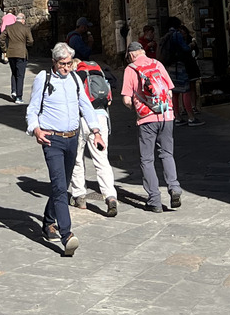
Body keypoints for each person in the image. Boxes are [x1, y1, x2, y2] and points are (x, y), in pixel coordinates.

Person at [25, 43, 104, 254]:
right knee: (60, 187)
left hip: (73, 138)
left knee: (63, 183)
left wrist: (96, 131)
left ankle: (49, 220)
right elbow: (32, 109)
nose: (66, 68)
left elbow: (85, 105)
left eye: (69, 63)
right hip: (52, 140)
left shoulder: (75, 79)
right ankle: (67, 234)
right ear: (54, 62)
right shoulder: (44, 78)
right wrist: (35, 130)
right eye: (63, 64)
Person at [121, 38, 181, 212]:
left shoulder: (131, 69)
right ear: (143, 52)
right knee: (167, 154)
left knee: (147, 159)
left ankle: (154, 200)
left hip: (147, 120)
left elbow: (126, 99)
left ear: (131, 55)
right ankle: (174, 187)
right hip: (166, 115)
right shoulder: (157, 64)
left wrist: (136, 107)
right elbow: (169, 91)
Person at [69, 54, 117, 216]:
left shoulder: (76, 77)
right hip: (101, 118)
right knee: (102, 159)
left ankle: (79, 196)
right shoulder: (100, 75)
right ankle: (110, 196)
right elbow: (109, 101)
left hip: (82, 119)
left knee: (77, 158)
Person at [160, 18, 203, 126]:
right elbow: (185, 48)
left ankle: (177, 117)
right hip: (179, 65)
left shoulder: (166, 36)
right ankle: (191, 117)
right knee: (185, 90)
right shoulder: (176, 35)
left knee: (175, 93)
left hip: (170, 66)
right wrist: (192, 45)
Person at [0, 11, 32, 102]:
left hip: (11, 53)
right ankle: (19, 96)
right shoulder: (26, 29)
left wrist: (4, 49)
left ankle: (14, 91)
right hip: (21, 54)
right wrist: (26, 45)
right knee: (20, 75)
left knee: (14, 72)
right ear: (23, 20)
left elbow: (1, 38)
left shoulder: (9, 27)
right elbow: (31, 41)